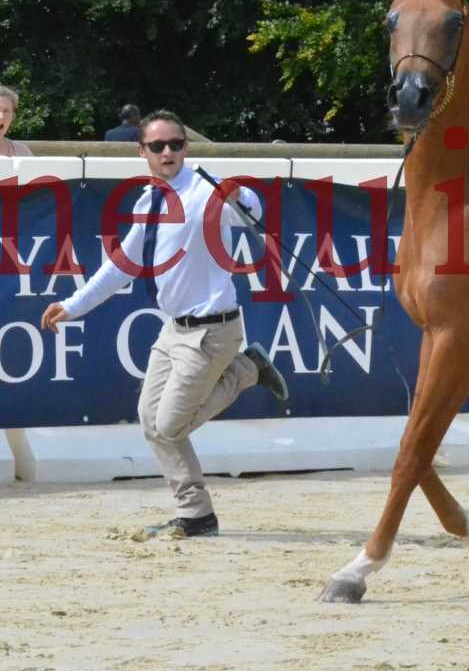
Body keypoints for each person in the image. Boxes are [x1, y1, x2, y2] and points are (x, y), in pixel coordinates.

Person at [40, 110, 288, 537]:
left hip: (212, 329)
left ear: (185, 148)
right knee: (148, 419)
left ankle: (248, 369)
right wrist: (73, 305)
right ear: (143, 152)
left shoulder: (207, 191)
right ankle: (196, 514)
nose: (168, 151)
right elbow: (122, 266)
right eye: (158, 146)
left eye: (175, 143)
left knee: (169, 426)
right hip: (174, 329)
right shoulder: (148, 202)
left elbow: (251, 210)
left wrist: (241, 197)